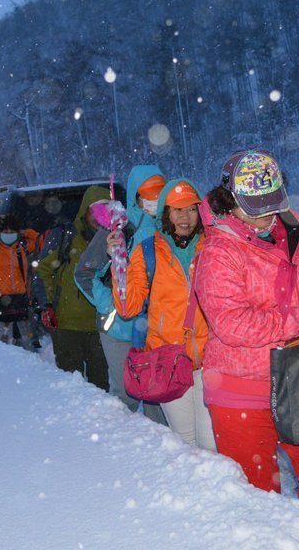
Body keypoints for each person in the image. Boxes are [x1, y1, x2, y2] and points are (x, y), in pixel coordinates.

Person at [194, 149, 299, 511]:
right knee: (259, 498)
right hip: (242, 387)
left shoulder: (296, 229)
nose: (264, 216)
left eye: (271, 203)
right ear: (230, 200)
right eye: (253, 207)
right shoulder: (219, 251)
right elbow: (232, 323)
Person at [109, 179, 213, 447]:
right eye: (177, 210)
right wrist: (118, 261)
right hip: (168, 361)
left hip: (211, 360)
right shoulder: (147, 250)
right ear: (165, 213)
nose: (185, 217)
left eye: (191, 209)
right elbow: (128, 307)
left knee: (212, 444)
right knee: (186, 442)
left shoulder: (213, 247)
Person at [74, 166, 167, 424]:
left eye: (160, 191)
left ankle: (165, 455)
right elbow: (83, 273)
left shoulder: (170, 226)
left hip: (159, 327)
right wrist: (111, 304)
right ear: (135, 196)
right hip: (119, 329)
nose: (154, 200)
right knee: (126, 395)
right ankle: (122, 452)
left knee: (158, 398)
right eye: (147, 193)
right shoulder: (117, 228)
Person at [34, 186, 111, 390]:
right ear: (85, 210)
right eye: (95, 211)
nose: (99, 217)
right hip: (66, 326)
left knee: (101, 388)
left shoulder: (115, 239)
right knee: (72, 387)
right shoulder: (65, 236)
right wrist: (47, 304)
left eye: (105, 211)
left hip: (100, 327)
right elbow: (42, 270)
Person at [0, 213, 38, 350]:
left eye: (12, 232)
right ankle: (6, 362)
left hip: (21, 297)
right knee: (4, 336)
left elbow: (39, 239)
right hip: (1, 297)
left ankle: (32, 359)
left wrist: (26, 232)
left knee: (27, 334)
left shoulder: (22, 248)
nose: (9, 234)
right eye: (5, 232)